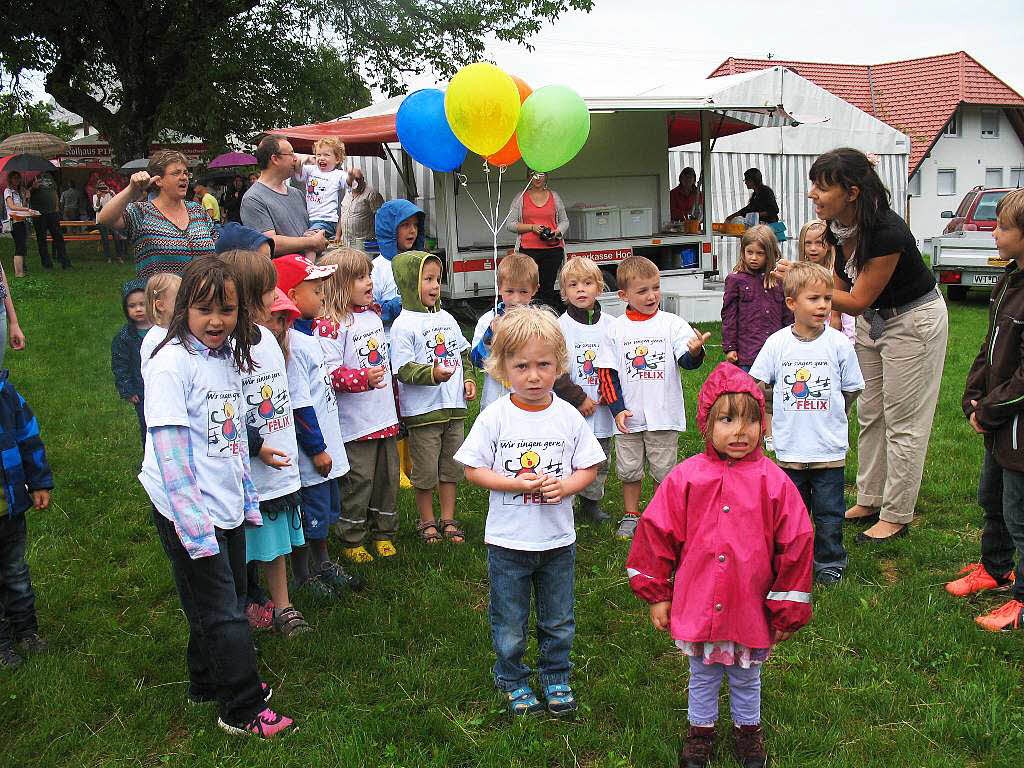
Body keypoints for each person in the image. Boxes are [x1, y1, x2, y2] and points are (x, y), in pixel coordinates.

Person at [626, 363, 813, 768]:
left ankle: (748, 732)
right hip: (699, 598)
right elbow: (656, 533)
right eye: (727, 419)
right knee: (704, 673)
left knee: (747, 676)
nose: (740, 431)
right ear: (707, 424)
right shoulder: (686, 478)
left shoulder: (774, 482)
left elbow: (796, 545)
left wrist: (786, 609)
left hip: (749, 603)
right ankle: (701, 731)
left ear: (763, 425)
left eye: (750, 420)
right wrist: (656, 594)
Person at [139, 256, 296, 738]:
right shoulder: (170, 365)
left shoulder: (225, 355)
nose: (216, 320)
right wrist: (194, 526)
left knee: (209, 600)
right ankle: (241, 707)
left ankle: (208, 680)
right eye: (205, 309)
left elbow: (224, 431)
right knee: (224, 609)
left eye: (226, 310)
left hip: (222, 500)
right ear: (184, 307)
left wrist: (245, 496)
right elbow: (169, 452)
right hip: (188, 509)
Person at [454, 306, 605, 717]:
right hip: (508, 542)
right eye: (522, 366)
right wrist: (513, 483)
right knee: (510, 621)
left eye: (544, 365)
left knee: (558, 619)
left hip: (557, 541)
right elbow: (472, 469)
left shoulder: (568, 416)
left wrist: (567, 486)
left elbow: (589, 467)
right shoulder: (495, 417)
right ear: (502, 367)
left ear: (560, 365)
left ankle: (556, 674)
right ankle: (513, 677)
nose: (534, 376)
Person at [803, 147, 948, 543]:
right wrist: (825, 296)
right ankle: (869, 497)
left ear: (851, 192)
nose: (813, 194)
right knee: (871, 413)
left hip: (912, 322)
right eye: (814, 185)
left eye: (821, 186)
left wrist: (804, 287)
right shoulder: (837, 225)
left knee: (904, 422)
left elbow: (857, 298)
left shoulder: (887, 232)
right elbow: (840, 283)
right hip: (872, 324)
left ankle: (897, 513)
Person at [750, 262, 864, 586]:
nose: (823, 306)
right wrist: (773, 417)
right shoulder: (776, 344)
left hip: (828, 449)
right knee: (789, 514)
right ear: (791, 303)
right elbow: (757, 385)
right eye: (814, 299)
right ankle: (791, 561)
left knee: (829, 513)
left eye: (827, 298)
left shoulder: (839, 344)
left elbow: (851, 388)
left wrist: (831, 413)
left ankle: (829, 562)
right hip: (791, 450)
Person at [219, 251, 309, 638]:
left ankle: (283, 604)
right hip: (252, 465)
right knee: (249, 541)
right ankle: (249, 603)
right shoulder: (225, 352)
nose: (276, 297)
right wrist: (255, 446)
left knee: (278, 541)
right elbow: (227, 411)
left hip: (281, 461)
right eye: (267, 291)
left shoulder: (268, 340)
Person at [595, 255, 710, 540]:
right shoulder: (614, 329)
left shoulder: (672, 324)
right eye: (642, 290)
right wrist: (617, 410)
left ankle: (662, 514)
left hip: (663, 414)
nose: (652, 296)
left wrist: (694, 352)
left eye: (656, 288)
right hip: (628, 418)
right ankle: (631, 514)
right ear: (623, 295)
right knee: (630, 470)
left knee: (664, 470)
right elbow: (607, 375)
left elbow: (686, 360)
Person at [955, 189, 1024, 631]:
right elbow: (991, 346)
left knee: (1021, 514)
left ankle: (1021, 602)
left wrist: (991, 410)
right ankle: (996, 568)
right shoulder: (1008, 280)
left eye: (1002, 227)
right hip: (1000, 421)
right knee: (992, 498)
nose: (994, 234)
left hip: (1017, 428)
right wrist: (973, 392)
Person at [275, 254, 360, 598]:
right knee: (310, 515)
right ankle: (304, 573)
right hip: (313, 455)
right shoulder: (292, 345)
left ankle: (323, 563)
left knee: (326, 511)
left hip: (328, 449)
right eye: (317, 289)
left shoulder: (310, 338)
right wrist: (316, 449)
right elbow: (299, 405)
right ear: (293, 297)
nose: (324, 296)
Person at [316, 249, 401, 563]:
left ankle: (384, 532)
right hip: (355, 423)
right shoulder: (331, 325)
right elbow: (329, 371)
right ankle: (352, 536)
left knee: (387, 478)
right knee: (359, 480)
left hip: (383, 417)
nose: (370, 281)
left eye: (369, 274)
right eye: (360, 277)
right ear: (338, 284)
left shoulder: (373, 314)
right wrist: (361, 378)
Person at [390, 250, 476, 544]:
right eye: (427, 279)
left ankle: (448, 518)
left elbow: (462, 352)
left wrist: (467, 378)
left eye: (437, 279)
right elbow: (401, 368)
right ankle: (426, 521)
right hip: (424, 412)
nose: (435, 286)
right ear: (408, 282)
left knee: (450, 467)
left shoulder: (448, 318)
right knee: (426, 470)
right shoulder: (404, 324)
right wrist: (432, 375)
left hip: (453, 409)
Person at [554, 256, 616, 524]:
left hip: (602, 410)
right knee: (567, 455)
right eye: (573, 284)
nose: (581, 289)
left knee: (599, 457)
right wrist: (578, 398)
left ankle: (591, 503)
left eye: (587, 283)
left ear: (599, 287)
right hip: (570, 409)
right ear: (564, 292)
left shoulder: (613, 325)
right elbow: (554, 369)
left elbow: (619, 366)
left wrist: (611, 393)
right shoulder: (559, 327)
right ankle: (563, 499)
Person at [0, 368, 54, 670]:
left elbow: (29, 439)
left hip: (10, 510)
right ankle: (2, 644)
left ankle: (26, 631)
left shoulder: (7, 395)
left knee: (16, 573)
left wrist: (39, 482)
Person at [98, 151, 217, 282]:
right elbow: (105, 219)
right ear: (159, 181)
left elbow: (215, 248)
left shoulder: (198, 211)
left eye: (185, 172)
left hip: (200, 299)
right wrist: (131, 189)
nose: (184, 177)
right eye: (176, 173)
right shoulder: (141, 212)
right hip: (160, 299)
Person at [471, 253, 540, 411]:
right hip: (495, 401)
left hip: (530, 401)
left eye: (523, 292)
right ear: (499, 288)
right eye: (510, 291)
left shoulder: (540, 322)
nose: (516, 299)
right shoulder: (488, 320)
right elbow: (476, 360)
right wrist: (490, 336)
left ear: (535, 290)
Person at [240, 136, 327, 258]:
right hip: (284, 275)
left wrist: (317, 236)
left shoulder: (297, 193)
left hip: (309, 272)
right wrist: (312, 242)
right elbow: (269, 244)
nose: (296, 159)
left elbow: (306, 233)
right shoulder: (253, 198)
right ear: (275, 159)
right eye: (291, 154)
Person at [722, 225, 790, 373]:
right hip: (747, 353)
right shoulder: (735, 280)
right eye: (749, 252)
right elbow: (729, 316)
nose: (753, 258)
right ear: (743, 252)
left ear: (770, 254)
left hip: (776, 353)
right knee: (748, 393)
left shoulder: (779, 280)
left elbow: (788, 315)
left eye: (760, 253)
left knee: (774, 393)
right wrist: (730, 347)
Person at [506, 170, 570, 312]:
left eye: (541, 174)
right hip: (528, 251)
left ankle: (546, 320)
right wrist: (532, 227)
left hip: (552, 249)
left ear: (547, 176)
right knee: (528, 287)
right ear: (528, 176)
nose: (537, 178)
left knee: (548, 289)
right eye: (533, 174)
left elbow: (565, 221)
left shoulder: (555, 196)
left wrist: (557, 231)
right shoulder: (521, 197)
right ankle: (528, 318)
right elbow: (510, 224)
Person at [373, 199, 425, 337]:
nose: (412, 230)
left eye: (415, 225)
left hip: (420, 340)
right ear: (389, 228)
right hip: (390, 341)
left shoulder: (420, 262)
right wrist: (394, 307)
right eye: (405, 225)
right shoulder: (377, 268)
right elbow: (366, 311)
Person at [797, 218, 855, 341]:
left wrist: (849, 338)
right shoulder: (799, 275)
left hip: (834, 332)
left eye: (819, 243)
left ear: (828, 244)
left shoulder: (837, 274)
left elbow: (846, 310)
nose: (813, 248)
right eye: (808, 243)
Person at [111, 281, 151, 448]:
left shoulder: (163, 329)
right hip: (141, 391)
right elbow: (120, 364)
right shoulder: (124, 337)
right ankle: (149, 459)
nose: (138, 309)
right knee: (147, 425)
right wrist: (127, 389)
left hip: (163, 386)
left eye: (143, 304)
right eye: (132, 305)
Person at [295, 137, 348, 241]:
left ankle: (309, 258)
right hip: (310, 218)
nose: (321, 158)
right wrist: (305, 159)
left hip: (326, 220)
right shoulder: (311, 170)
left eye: (326, 155)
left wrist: (352, 175)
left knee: (310, 239)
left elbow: (350, 183)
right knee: (310, 240)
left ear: (337, 159)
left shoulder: (338, 174)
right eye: (318, 155)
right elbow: (296, 166)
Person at [28, 172, 70, 270]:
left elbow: (54, 192)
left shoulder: (49, 176)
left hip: (52, 213)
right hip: (39, 214)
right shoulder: (30, 178)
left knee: (58, 237)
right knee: (42, 239)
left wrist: (56, 208)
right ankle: (47, 264)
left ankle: (65, 262)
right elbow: (26, 195)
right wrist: (33, 187)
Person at [3, 171, 37, 277]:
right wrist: (27, 208)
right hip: (14, 221)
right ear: (10, 179)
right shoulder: (8, 191)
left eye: (18, 178)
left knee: (22, 245)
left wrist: (27, 197)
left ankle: (22, 269)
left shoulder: (19, 192)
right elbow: (12, 206)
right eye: (14, 178)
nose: (17, 180)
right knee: (19, 246)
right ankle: (19, 273)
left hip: (22, 220)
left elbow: (23, 205)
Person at [339, 168, 384, 247]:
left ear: (363, 179)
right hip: (346, 242)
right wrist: (337, 235)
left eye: (357, 179)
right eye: (352, 179)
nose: (355, 182)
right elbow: (343, 215)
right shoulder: (347, 193)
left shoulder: (372, 194)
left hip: (363, 244)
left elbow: (382, 217)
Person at [93, 182, 127, 264]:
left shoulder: (110, 193)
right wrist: (98, 198)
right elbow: (96, 208)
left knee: (117, 238)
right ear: (97, 189)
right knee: (105, 239)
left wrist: (110, 192)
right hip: (101, 220)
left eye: (104, 188)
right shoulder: (95, 196)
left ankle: (119, 256)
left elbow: (118, 201)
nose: (103, 190)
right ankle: (108, 257)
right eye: (100, 188)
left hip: (112, 220)